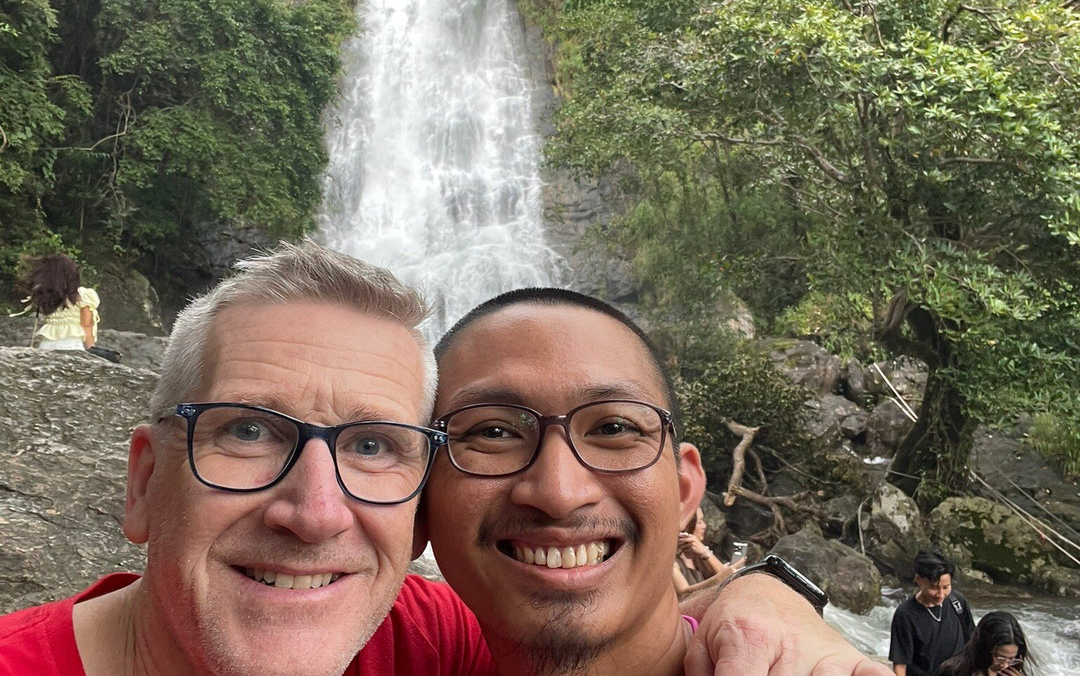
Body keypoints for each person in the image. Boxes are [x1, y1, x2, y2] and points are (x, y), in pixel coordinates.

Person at [0, 240, 892, 676]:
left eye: (375, 447)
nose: (315, 511)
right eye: (249, 430)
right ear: (145, 481)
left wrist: (762, 598)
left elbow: (596, 621)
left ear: (418, 507)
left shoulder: (419, 640)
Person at [420, 287, 894, 676]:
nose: (559, 493)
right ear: (418, 497)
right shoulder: (381, 635)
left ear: (685, 488)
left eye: (614, 429)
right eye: (494, 433)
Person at [890, 551, 976, 676]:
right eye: (934, 588)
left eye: (946, 587)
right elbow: (900, 662)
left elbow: (972, 642)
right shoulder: (906, 614)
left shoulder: (957, 602)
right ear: (918, 580)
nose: (941, 595)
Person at [17, 253, 100, 351]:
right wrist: (92, 347)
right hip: (71, 343)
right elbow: (86, 324)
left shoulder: (44, 295)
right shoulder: (82, 295)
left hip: (46, 342)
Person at [673, 505, 745, 597]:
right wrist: (719, 578)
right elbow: (683, 594)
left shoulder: (699, 556)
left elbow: (724, 574)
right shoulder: (671, 561)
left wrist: (705, 553)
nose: (704, 525)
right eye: (699, 522)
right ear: (686, 526)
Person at [938, 611, 1036, 676]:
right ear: (984, 648)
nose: (1005, 665)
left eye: (1011, 659)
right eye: (1000, 658)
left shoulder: (1011, 672)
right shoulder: (953, 672)